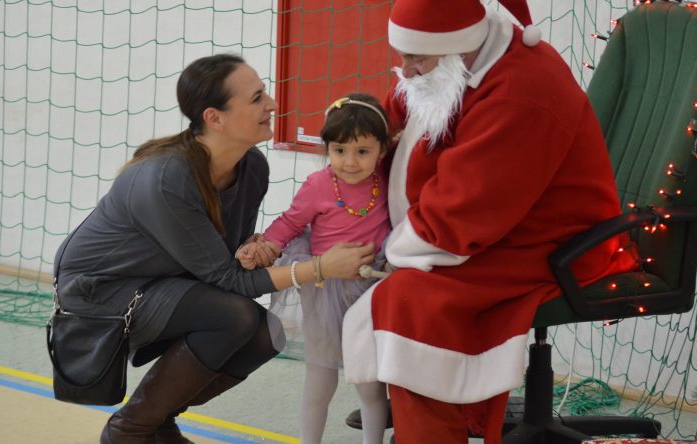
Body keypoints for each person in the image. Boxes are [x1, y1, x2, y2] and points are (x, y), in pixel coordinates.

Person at [341, 0, 638, 442]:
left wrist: (392, 251)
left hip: (548, 244)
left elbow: (464, 215)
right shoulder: (446, 63)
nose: (405, 70)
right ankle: (416, 408)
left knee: (412, 302)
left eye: (416, 58)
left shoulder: (522, 89)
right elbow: (391, 120)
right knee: (375, 280)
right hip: (485, 228)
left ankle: (428, 430)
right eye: (401, 55)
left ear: (457, 49)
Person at [53, 53, 375, 444]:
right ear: (214, 118)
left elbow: (228, 262)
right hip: (101, 291)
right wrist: (321, 268)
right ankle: (130, 430)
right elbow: (229, 281)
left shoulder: (253, 166)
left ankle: (158, 421)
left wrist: (254, 248)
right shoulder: (166, 178)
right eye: (257, 97)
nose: (272, 104)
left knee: (268, 331)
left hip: (164, 281)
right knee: (234, 315)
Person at [241, 93, 392, 444]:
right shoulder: (319, 185)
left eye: (362, 152)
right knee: (320, 379)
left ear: (382, 150)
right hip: (324, 290)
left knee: (370, 383)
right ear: (327, 148)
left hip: (372, 290)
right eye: (339, 151)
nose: (350, 162)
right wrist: (267, 247)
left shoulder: (385, 181)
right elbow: (290, 223)